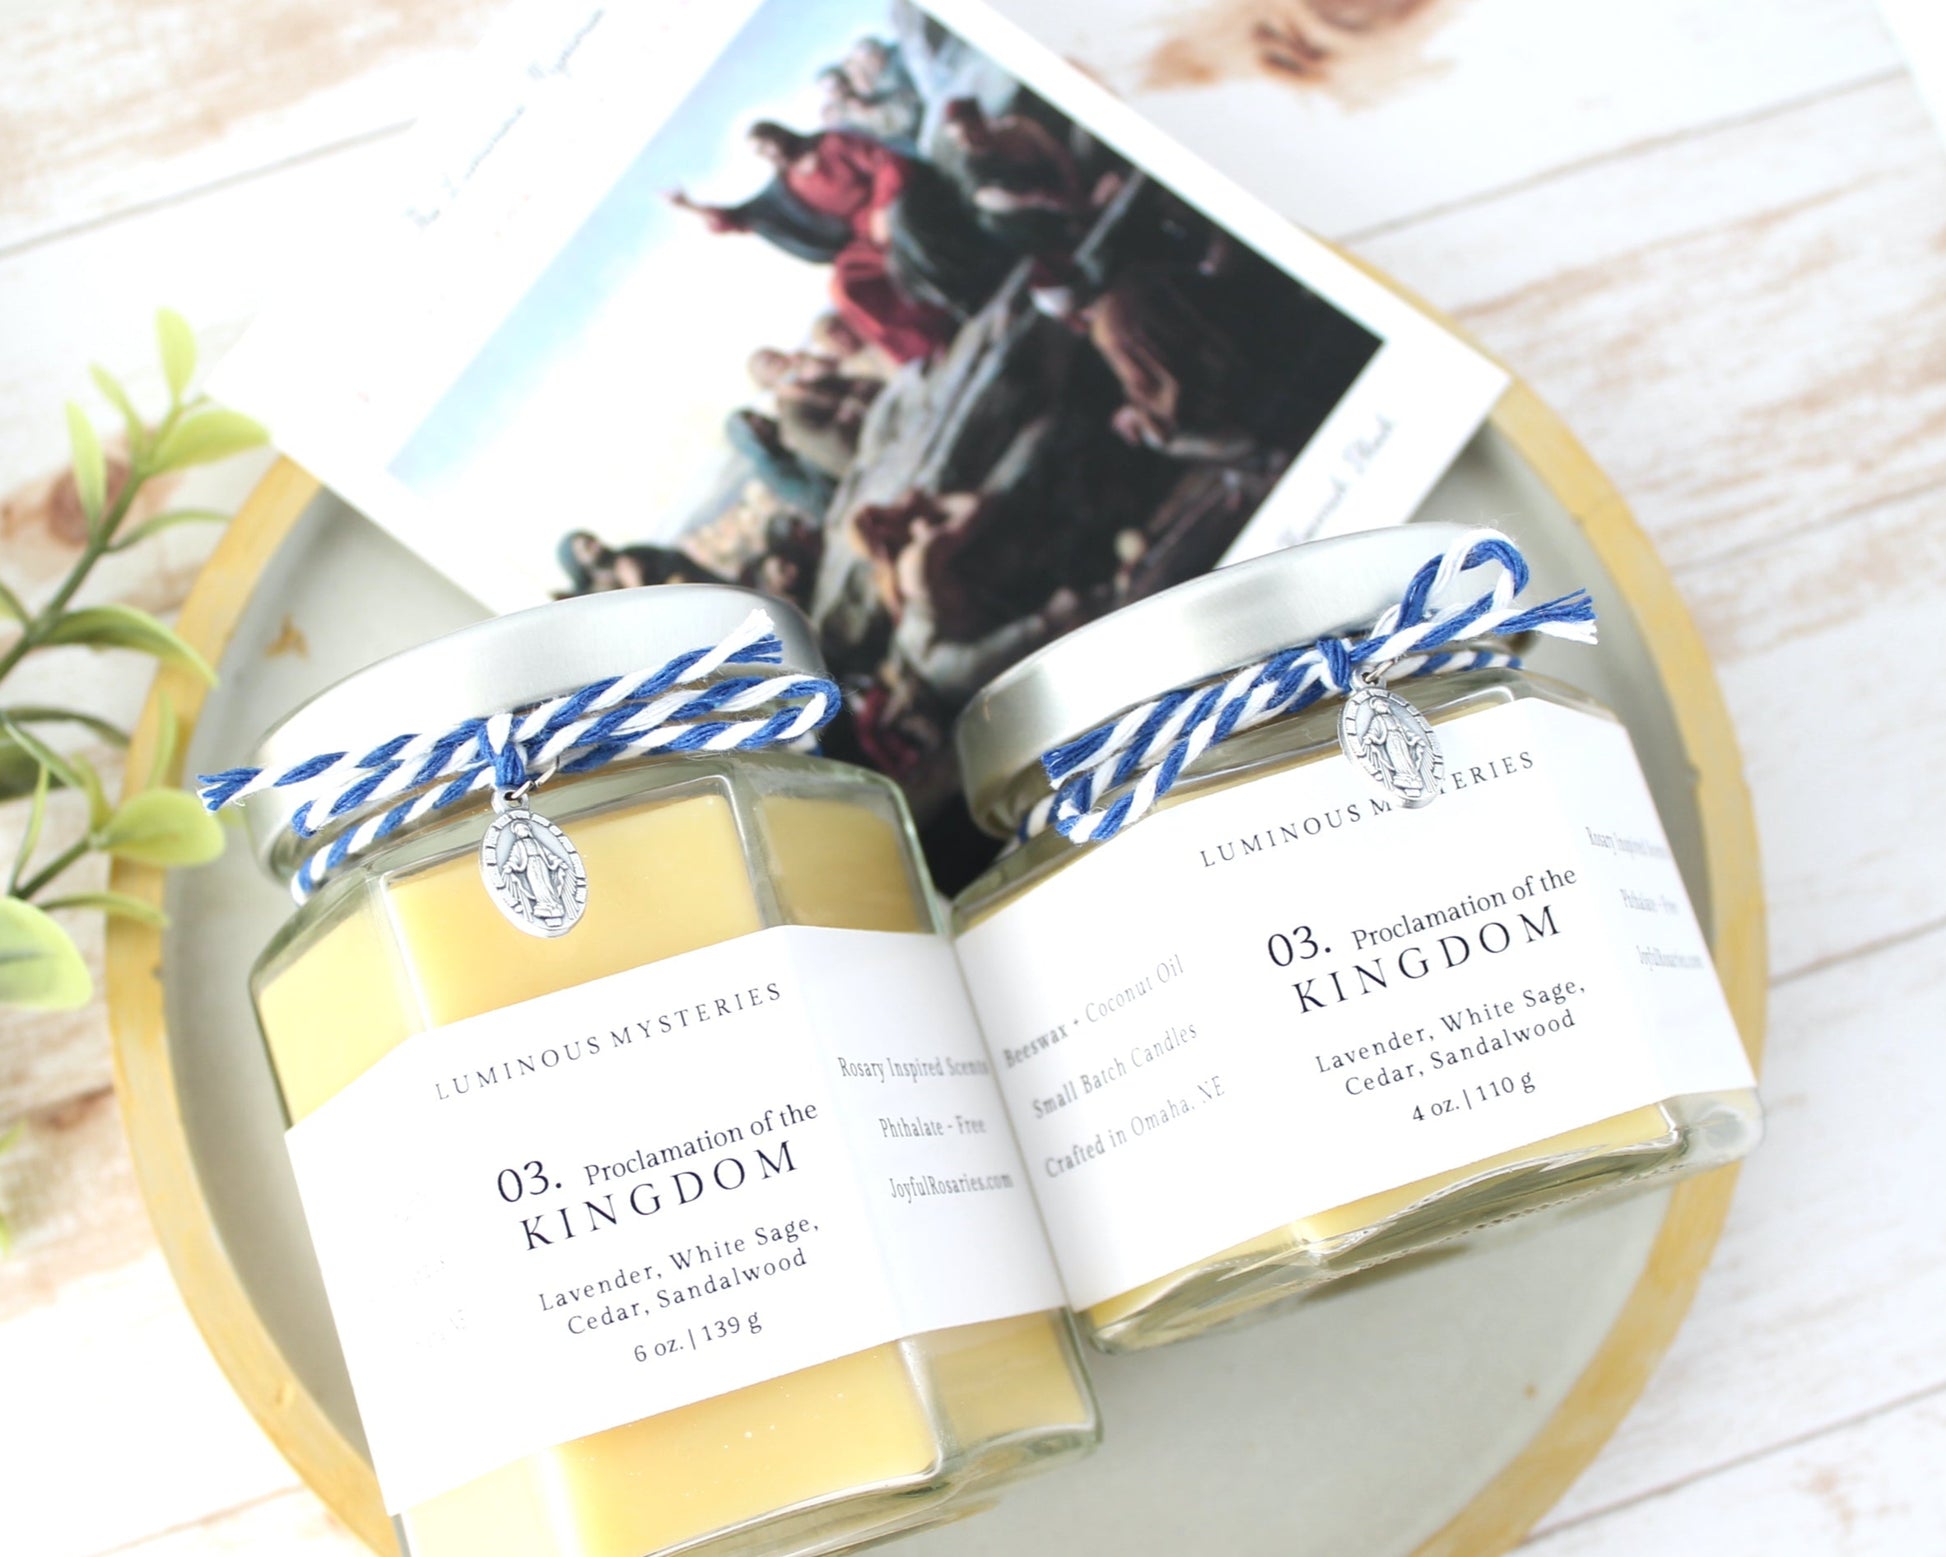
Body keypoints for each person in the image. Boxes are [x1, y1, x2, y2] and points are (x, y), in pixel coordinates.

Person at [670, 122, 1007, 363]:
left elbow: (888, 163)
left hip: (898, 203)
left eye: (769, 140)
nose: (771, 150)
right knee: (844, 287)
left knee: (905, 232)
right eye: (761, 150)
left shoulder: (832, 145)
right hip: (865, 236)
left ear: (781, 132)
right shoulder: (785, 189)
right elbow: (741, 217)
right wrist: (691, 207)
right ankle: (929, 340)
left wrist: (882, 207)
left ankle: (967, 296)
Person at [848, 489, 1083, 701]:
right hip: (946, 662)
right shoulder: (918, 556)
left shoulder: (906, 563)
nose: (894, 507)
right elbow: (977, 507)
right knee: (1058, 616)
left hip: (934, 652)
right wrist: (933, 502)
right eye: (884, 513)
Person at [938, 97, 1083, 250]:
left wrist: (1074, 187)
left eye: (970, 132)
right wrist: (1034, 199)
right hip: (1043, 215)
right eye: (959, 141)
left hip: (1072, 180)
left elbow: (1056, 153)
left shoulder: (1016, 127)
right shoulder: (971, 167)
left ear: (980, 120)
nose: (968, 143)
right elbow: (983, 196)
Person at [748, 346, 881, 478]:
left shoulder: (818, 383)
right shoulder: (793, 416)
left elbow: (873, 385)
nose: (779, 362)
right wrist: (849, 412)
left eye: (777, 355)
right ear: (766, 382)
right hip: (871, 466)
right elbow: (840, 452)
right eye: (770, 363)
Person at [724, 409, 838, 520]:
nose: (758, 421)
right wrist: (801, 450)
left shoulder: (787, 428)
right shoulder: (770, 470)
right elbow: (818, 503)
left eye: (752, 416)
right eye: (753, 427)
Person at [554, 531, 727, 597]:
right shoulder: (596, 597)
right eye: (587, 547)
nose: (596, 546)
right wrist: (636, 585)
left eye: (592, 540)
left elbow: (675, 567)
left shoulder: (635, 555)